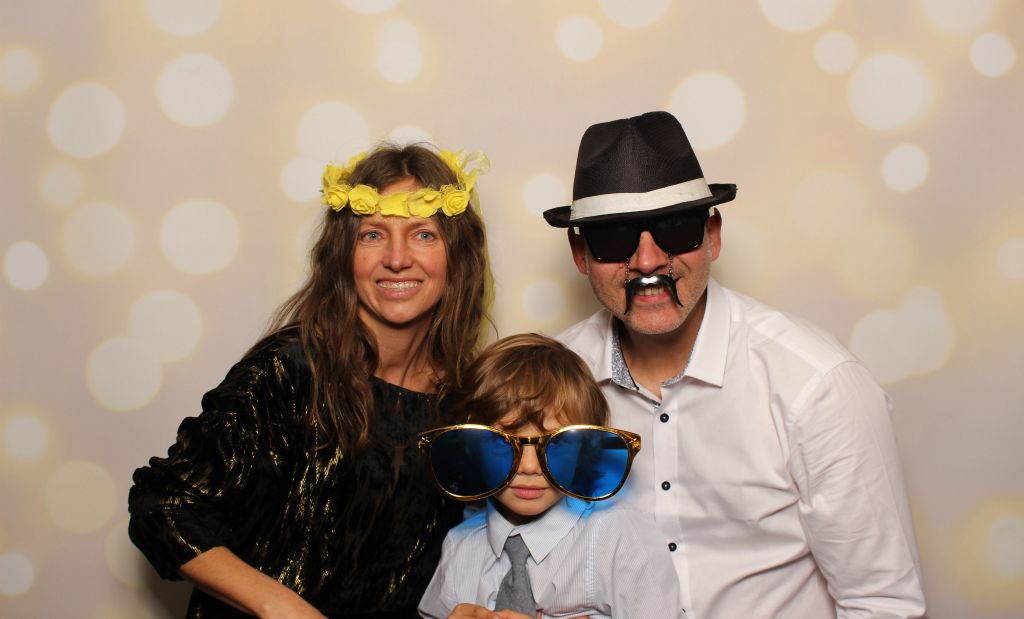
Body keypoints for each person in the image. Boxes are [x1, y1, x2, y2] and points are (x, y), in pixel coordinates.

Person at [543, 112, 927, 618]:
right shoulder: (549, 384)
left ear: (713, 235)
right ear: (580, 253)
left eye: (675, 228)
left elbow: (882, 602)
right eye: (614, 237)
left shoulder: (816, 385)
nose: (647, 260)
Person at [129, 144, 492, 618]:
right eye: (373, 235)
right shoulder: (291, 370)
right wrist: (278, 606)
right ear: (343, 254)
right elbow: (163, 506)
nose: (397, 258)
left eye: (423, 234)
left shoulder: (466, 402)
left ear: (458, 257)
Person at [418, 333, 682, 619]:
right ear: (472, 447)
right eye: (502, 443)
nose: (529, 466)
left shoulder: (621, 537)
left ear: (584, 449)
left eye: (557, 443)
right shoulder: (460, 546)